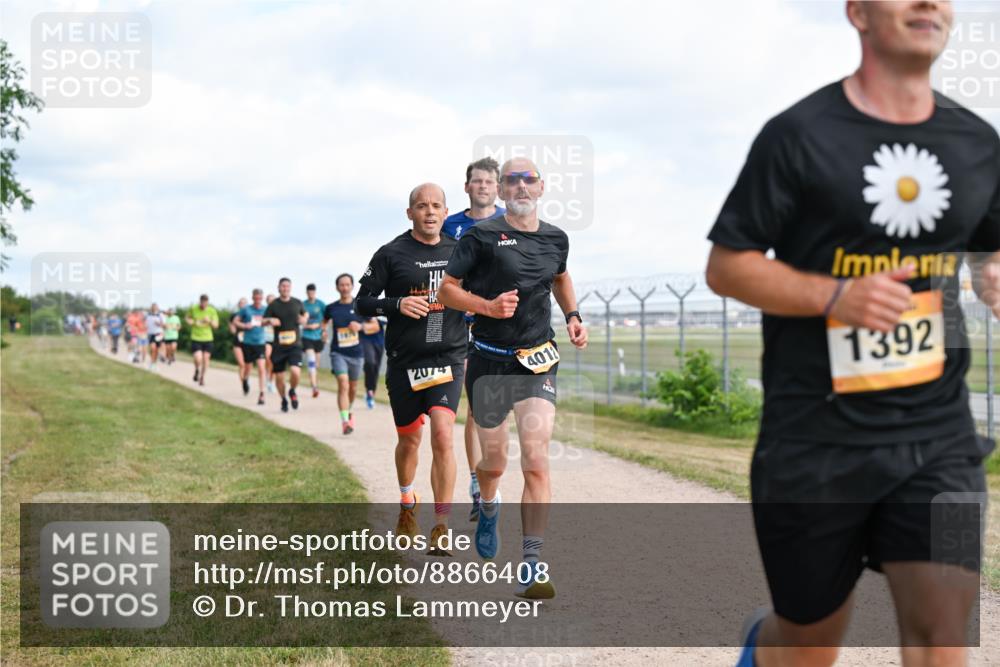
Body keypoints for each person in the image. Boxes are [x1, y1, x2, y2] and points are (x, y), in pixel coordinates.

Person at [703, 3, 1000, 666]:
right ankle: (763, 645)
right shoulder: (798, 136)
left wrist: (992, 272)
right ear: (858, 12)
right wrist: (836, 295)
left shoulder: (978, 143)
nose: (929, 3)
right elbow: (727, 265)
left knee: (943, 637)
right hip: (814, 439)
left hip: (939, 437)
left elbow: (991, 245)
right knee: (808, 646)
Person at [438, 158, 588, 599]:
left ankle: (532, 563)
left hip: (537, 360)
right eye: (512, 180)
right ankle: (488, 503)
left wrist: (573, 315)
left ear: (541, 188)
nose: (521, 186)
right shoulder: (480, 236)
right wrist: (486, 307)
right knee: (495, 465)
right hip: (488, 360)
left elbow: (560, 277)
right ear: (502, 191)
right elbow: (447, 290)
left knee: (536, 460)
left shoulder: (556, 238)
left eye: (529, 179)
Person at [357, 183, 468, 555]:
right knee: (409, 441)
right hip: (406, 361)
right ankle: (407, 503)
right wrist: (397, 304)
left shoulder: (461, 252)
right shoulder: (391, 253)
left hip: (448, 357)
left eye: (436, 205)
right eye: (422, 206)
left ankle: (441, 525)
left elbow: (479, 294)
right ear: (410, 213)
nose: (430, 212)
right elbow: (362, 303)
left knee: (443, 435)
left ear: (446, 212)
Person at [443, 156, 506, 521]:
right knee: (475, 407)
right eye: (477, 181)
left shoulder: (509, 223)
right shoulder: (450, 226)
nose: (482, 186)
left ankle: (487, 478)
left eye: (488, 181)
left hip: (498, 326)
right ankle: (476, 483)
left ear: (498, 187)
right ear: (467, 186)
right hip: (459, 325)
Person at [323, 273, 365, 434]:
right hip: (338, 353)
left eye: (348, 285)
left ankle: (349, 409)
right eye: (342, 285)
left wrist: (361, 327)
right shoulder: (331, 308)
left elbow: (374, 326)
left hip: (356, 353)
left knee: (353, 388)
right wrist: (323, 332)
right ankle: (345, 421)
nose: (345, 288)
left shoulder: (360, 305)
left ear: (352, 286)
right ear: (337, 287)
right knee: (343, 383)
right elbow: (324, 322)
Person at [263, 278, 308, 413]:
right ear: (278, 288)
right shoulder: (273, 305)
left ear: (290, 288)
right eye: (283, 286)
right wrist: (270, 320)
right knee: (279, 377)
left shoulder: (297, 302)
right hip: (279, 346)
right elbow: (262, 321)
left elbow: (305, 314)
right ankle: (283, 399)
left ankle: (292, 390)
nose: (285, 288)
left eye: (287, 286)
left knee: (295, 371)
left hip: (295, 345)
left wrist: (304, 319)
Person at [237, 289, 269, 406]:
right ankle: (245, 380)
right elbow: (236, 321)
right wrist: (244, 325)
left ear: (262, 298)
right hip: (248, 343)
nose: (258, 300)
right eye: (256, 298)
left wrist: (266, 322)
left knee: (261, 367)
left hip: (260, 342)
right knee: (248, 367)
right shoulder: (246, 309)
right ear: (252, 298)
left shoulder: (265, 309)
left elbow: (270, 321)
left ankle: (262, 394)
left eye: (260, 298)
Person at [186, 294, 220, 387]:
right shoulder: (194, 308)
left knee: (206, 359)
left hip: (208, 338)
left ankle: (202, 377)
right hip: (196, 338)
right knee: (198, 358)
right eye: (202, 302)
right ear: (200, 301)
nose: (204, 304)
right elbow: (187, 318)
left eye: (205, 303)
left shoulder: (212, 311)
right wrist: (191, 322)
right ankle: (197, 369)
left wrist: (209, 321)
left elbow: (216, 326)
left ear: (207, 302)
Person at [302, 283, 327, 398]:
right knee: (311, 360)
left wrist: (321, 327)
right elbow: (299, 320)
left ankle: (314, 383)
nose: (311, 294)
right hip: (307, 336)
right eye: (309, 292)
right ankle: (314, 387)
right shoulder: (303, 305)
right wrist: (307, 325)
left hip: (318, 337)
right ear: (306, 293)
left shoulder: (321, 304)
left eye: (312, 292)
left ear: (315, 292)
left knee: (316, 364)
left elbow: (327, 319)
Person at [360, 316, 386, 409]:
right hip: (365, 339)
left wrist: (374, 319)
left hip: (379, 341)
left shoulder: (380, 309)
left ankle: (371, 393)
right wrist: (369, 319)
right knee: (370, 362)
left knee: (375, 368)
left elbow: (385, 320)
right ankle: (369, 390)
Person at [229, 297, 249, 394]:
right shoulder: (234, 316)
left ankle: (245, 379)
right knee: (241, 364)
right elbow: (232, 329)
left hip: (249, 343)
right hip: (237, 342)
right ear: (238, 305)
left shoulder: (250, 315)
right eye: (241, 303)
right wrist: (235, 329)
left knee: (247, 365)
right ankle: (243, 384)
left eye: (245, 303)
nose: (243, 305)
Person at [145, 304, 165, 371]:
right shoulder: (148, 315)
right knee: (152, 348)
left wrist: (159, 324)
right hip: (150, 334)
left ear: (157, 308)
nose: (154, 308)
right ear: (151, 308)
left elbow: (164, 325)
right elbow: (145, 323)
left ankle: (154, 363)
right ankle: (152, 362)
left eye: (156, 307)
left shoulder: (160, 315)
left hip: (158, 334)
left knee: (156, 349)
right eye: (153, 307)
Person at [264, 293, 277, 393]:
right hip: (266, 339)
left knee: (274, 361)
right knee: (268, 357)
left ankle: (271, 382)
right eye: (269, 301)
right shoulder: (264, 312)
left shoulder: (279, 312)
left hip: (276, 340)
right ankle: (266, 375)